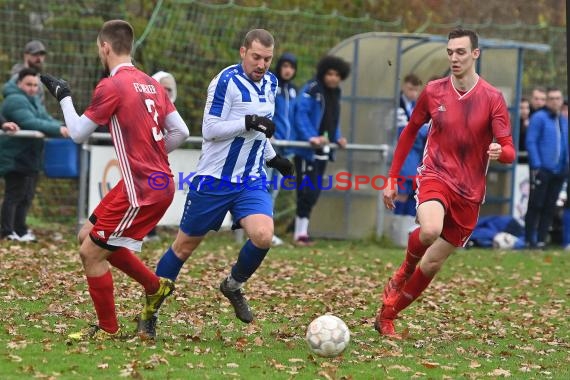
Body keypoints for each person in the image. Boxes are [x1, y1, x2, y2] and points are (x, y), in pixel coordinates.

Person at [135, 29, 293, 340]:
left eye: (267, 59)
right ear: (242, 51)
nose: (262, 64)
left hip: (250, 179)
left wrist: (273, 158)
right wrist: (247, 121)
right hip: (214, 180)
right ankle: (149, 313)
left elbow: (261, 131)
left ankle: (233, 285)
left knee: (263, 235)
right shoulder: (225, 81)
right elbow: (209, 130)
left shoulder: (272, 83)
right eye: (256, 57)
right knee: (183, 248)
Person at [39, 19, 189, 340]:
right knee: (87, 236)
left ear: (105, 47)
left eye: (99, 48)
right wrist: (153, 154)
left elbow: (78, 134)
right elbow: (182, 132)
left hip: (142, 188)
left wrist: (63, 95)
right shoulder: (152, 84)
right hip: (148, 182)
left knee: (91, 254)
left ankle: (108, 329)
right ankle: (154, 286)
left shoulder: (111, 85)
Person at [375, 28, 515, 339]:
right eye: (450, 52)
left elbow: (509, 150)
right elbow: (410, 131)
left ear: (475, 54)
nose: (454, 57)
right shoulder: (434, 91)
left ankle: (388, 314)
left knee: (434, 263)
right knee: (429, 230)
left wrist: (499, 151)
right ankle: (400, 274)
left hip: (471, 193)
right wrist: (392, 178)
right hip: (435, 175)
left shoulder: (492, 98)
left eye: (461, 52)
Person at [0, 68, 68, 242]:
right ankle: (7, 231)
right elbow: (30, 122)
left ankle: (20, 230)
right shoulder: (15, 100)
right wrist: (58, 129)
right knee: (14, 194)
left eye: (35, 85)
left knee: (26, 195)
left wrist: (67, 125)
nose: (32, 88)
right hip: (15, 156)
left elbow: (45, 119)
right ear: (18, 84)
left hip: (29, 156)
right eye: (28, 84)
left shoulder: (34, 100)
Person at [291, 55, 350, 246]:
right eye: (329, 74)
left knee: (314, 191)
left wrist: (337, 137)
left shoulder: (336, 93)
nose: (333, 78)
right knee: (305, 191)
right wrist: (311, 137)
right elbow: (301, 115)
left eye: (337, 75)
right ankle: (299, 234)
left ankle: (301, 232)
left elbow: (332, 121)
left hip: (323, 150)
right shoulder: (312, 89)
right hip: (307, 150)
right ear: (323, 73)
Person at [524, 87, 568, 249]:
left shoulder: (563, 120)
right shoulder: (539, 118)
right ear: (547, 101)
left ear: (562, 100)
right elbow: (531, 142)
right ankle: (529, 239)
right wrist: (536, 165)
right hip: (542, 170)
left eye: (558, 98)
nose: (555, 101)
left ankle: (541, 239)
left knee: (550, 206)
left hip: (559, 171)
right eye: (552, 98)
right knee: (535, 205)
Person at [143, 70, 180, 243]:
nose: (166, 92)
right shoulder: (144, 107)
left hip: (158, 161)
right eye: (162, 88)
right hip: (140, 159)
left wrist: (159, 152)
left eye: (169, 89)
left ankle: (149, 231)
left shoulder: (172, 113)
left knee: (156, 194)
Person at [270, 52, 298, 246]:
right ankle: (260, 229)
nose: (288, 70)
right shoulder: (271, 86)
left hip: (287, 147)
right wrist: (268, 134)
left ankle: (265, 230)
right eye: (285, 66)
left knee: (275, 189)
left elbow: (294, 117)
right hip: (271, 145)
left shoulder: (294, 91)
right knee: (265, 188)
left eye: (291, 67)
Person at [393, 73, 428, 217]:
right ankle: (394, 226)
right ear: (403, 87)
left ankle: (406, 229)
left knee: (412, 193)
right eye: (410, 89)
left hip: (415, 156)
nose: (413, 93)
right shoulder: (396, 106)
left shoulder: (416, 106)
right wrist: (420, 130)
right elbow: (405, 131)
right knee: (401, 193)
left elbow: (422, 128)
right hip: (404, 155)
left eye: (415, 90)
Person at [10, 40, 48, 105]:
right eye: (35, 54)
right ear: (26, 55)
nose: (39, 58)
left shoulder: (39, 75)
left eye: (41, 54)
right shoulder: (17, 70)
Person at [517, 97, 531, 163]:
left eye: (527, 108)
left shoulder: (531, 121)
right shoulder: (513, 123)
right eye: (521, 108)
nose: (524, 111)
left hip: (527, 159)